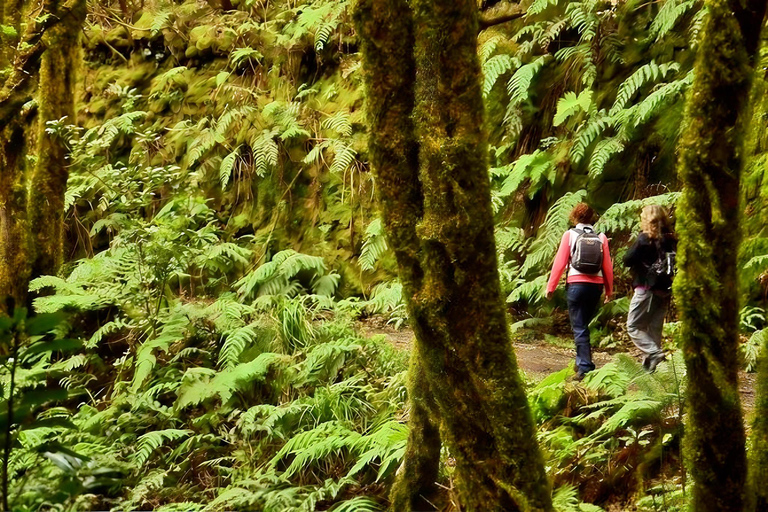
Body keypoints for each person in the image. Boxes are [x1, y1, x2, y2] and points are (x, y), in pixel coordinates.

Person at [546, 203, 614, 379]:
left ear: (574, 217)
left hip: (576, 285)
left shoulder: (570, 235)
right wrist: (609, 290)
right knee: (583, 325)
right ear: (592, 218)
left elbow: (559, 263)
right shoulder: (601, 237)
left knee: (579, 326)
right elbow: (607, 267)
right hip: (595, 287)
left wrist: (550, 287)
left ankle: (585, 366)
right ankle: (581, 361)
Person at [623, 205, 676, 372]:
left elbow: (627, 259)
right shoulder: (672, 239)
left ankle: (654, 353)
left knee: (633, 326)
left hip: (646, 288)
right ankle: (650, 374)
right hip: (665, 289)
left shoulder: (644, 239)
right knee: (654, 330)